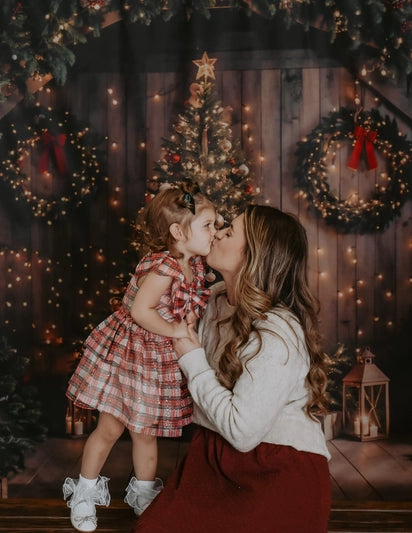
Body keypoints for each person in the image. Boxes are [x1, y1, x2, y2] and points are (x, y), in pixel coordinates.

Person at [131, 204, 332, 533]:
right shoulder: (214, 300)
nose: (217, 233)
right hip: (212, 457)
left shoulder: (278, 332)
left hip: (277, 465)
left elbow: (242, 432)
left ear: (254, 255)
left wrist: (192, 358)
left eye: (229, 231)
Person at [62, 183, 218, 532]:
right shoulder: (164, 268)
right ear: (178, 232)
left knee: (145, 431)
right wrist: (176, 330)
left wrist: (187, 325)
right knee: (110, 427)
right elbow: (140, 310)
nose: (215, 232)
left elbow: (187, 306)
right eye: (208, 225)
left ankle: (143, 496)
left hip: (155, 360)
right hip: (131, 356)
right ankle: (84, 492)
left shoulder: (193, 265)